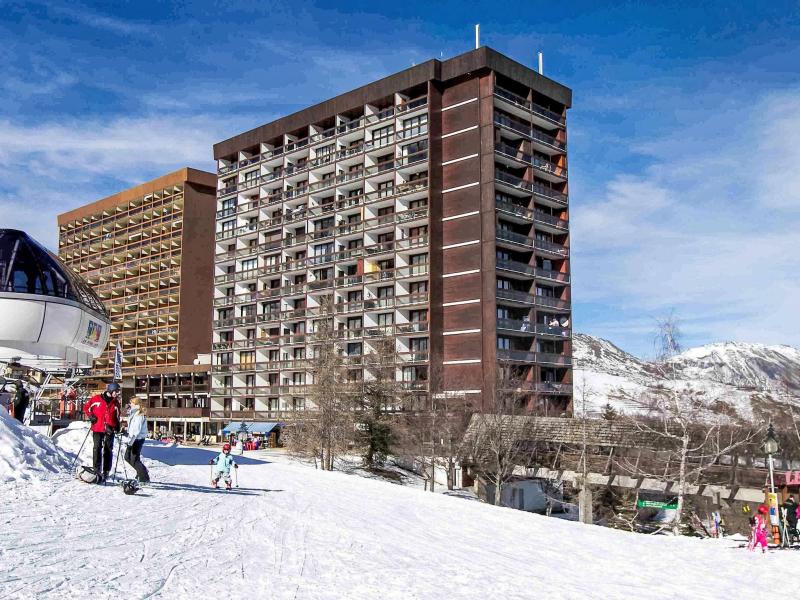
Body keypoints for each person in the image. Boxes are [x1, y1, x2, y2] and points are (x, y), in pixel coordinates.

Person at [83, 383, 122, 484]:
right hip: (97, 427)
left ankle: (106, 471)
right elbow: (86, 407)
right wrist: (91, 416)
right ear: (110, 390)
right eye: (116, 391)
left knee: (108, 449)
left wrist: (117, 426)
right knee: (97, 448)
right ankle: (97, 469)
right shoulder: (96, 399)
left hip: (109, 429)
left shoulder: (116, 402)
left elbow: (117, 416)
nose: (117, 393)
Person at [123, 397, 150, 483]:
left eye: (132, 403)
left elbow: (136, 430)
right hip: (132, 438)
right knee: (127, 457)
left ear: (136, 404)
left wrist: (130, 442)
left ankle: (144, 478)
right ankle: (141, 471)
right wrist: (125, 430)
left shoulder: (139, 415)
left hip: (137, 439)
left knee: (133, 459)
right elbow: (132, 427)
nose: (130, 405)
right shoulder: (133, 413)